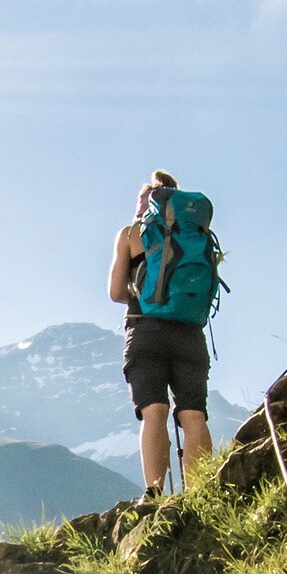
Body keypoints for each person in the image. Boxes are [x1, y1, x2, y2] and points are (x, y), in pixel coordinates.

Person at [109, 169, 213, 496]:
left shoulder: (131, 233)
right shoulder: (196, 233)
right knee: (193, 415)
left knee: (154, 412)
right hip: (190, 333)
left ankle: (154, 493)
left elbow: (115, 292)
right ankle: (200, 493)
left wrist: (146, 297)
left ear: (148, 201)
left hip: (146, 330)